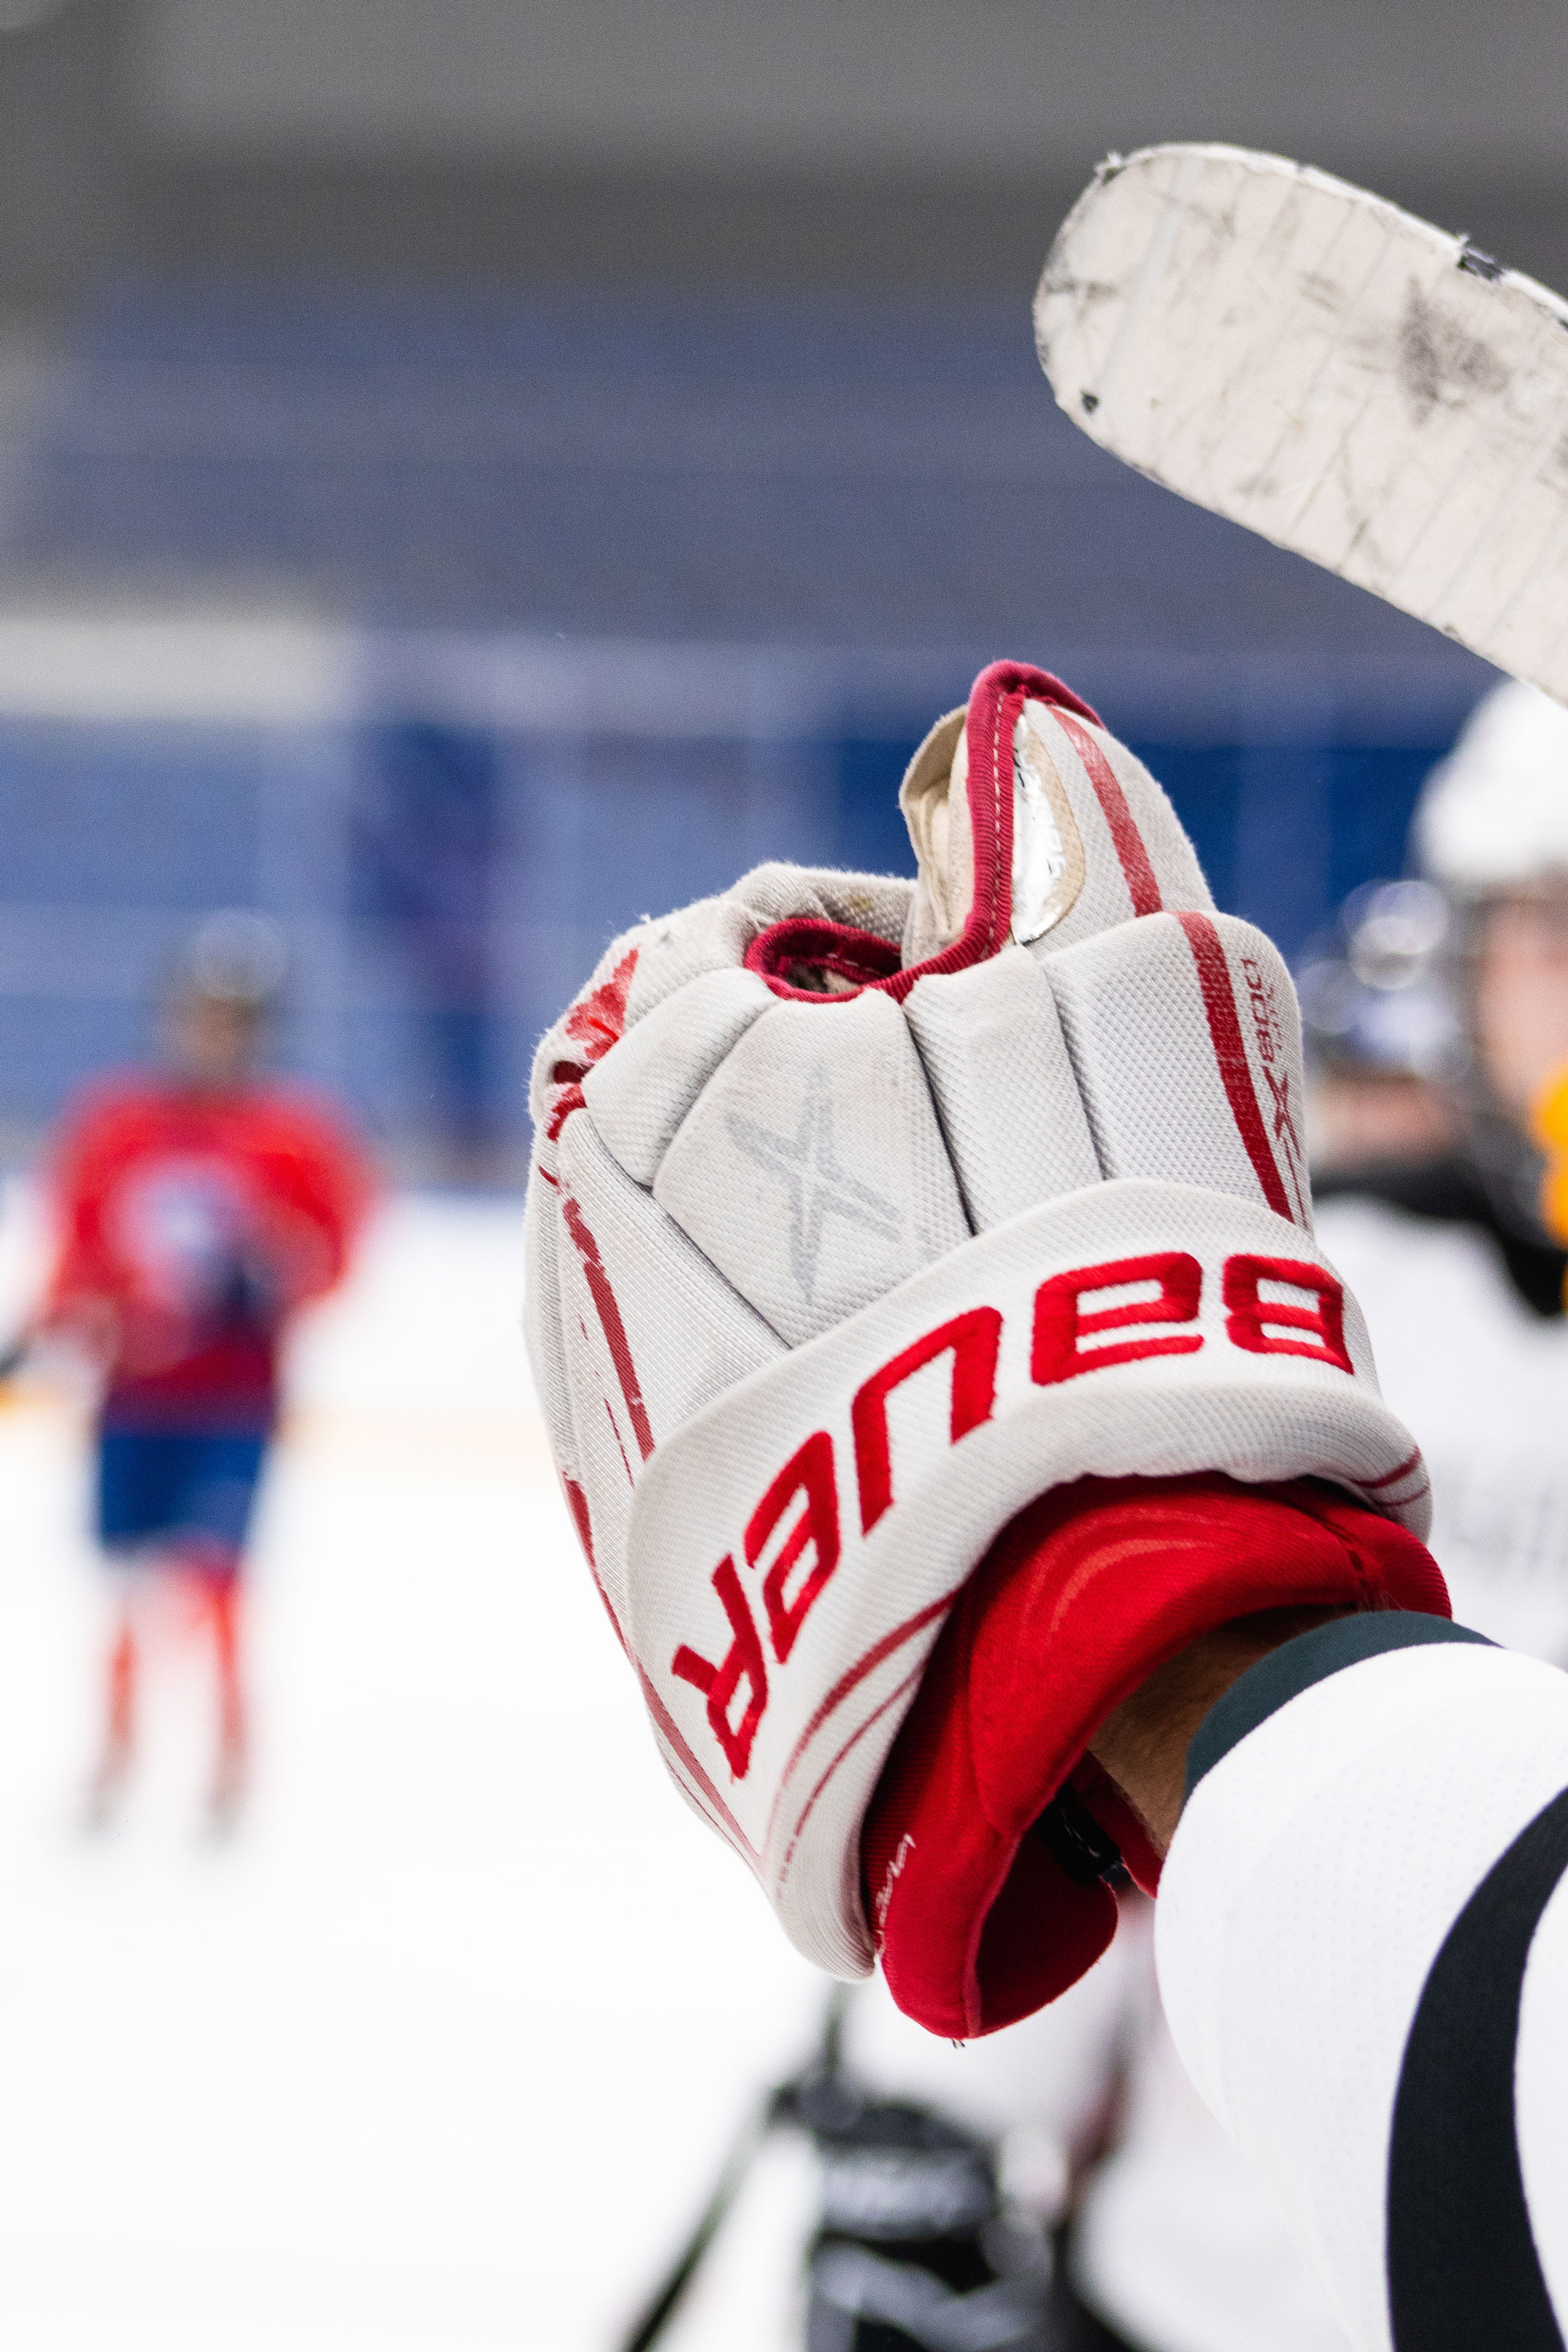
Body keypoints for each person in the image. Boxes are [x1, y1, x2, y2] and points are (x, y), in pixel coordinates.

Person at [526, 657, 1568, 2352]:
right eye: (1546, 936)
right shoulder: (1331, 1276)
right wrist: (928, 2129)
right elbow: (1055, 1753)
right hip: (1189, 2284)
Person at [25, 911, 374, 1834]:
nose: (211, 1035)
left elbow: (333, 1258)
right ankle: (115, 1752)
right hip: (134, 1397)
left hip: (234, 1400)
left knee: (217, 1577)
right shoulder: (116, 1125)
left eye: (232, 1020)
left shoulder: (299, 1138)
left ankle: (226, 1761)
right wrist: (44, 1329)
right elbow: (80, 1252)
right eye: (199, 1014)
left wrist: (275, 1280)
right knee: (129, 1581)